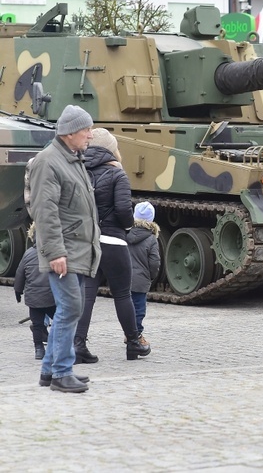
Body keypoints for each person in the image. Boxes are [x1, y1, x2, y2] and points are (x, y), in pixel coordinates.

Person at [28, 104, 101, 393]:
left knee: (69, 307)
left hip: (76, 249)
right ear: (70, 133)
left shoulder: (71, 158)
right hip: (65, 252)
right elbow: (45, 212)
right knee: (71, 307)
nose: (90, 135)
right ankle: (61, 372)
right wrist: (56, 252)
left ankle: (49, 371)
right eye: (86, 130)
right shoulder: (50, 161)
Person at [74, 128, 151, 363]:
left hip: (89, 242)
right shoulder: (118, 174)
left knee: (87, 295)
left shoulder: (80, 172)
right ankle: (134, 343)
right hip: (114, 241)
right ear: (110, 148)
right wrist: (127, 227)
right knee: (122, 294)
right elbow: (124, 211)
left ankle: (78, 345)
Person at [14, 223, 57, 360]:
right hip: (51, 297)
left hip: (34, 299)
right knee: (59, 320)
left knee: (37, 325)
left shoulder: (27, 254)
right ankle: (59, 346)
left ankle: (39, 349)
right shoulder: (54, 253)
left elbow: (20, 274)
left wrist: (18, 290)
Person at [127, 201, 161, 341]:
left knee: (127, 306)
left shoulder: (125, 233)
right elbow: (154, 262)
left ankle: (128, 331)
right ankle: (136, 335)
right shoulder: (151, 239)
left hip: (125, 278)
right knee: (139, 309)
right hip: (141, 280)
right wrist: (151, 276)